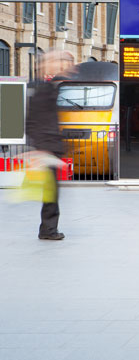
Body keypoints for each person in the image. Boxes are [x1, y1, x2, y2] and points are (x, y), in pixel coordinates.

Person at [26, 50, 76, 240]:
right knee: (51, 191)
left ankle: (47, 228)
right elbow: (32, 122)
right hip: (46, 148)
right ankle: (48, 230)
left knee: (51, 191)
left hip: (49, 147)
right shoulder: (44, 90)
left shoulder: (49, 88)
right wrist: (41, 147)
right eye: (59, 63)